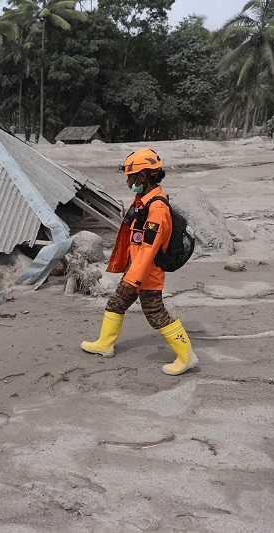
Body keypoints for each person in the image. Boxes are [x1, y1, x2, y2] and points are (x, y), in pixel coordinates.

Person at [80, 148, 198, 376]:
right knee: (116, 303)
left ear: (143, 176)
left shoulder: (157, 208)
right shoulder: (143, 201)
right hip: (136, 270)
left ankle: (186, 357)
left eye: (130, 177)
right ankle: (105, 344)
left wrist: (132, 279)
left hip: (146, 274)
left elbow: (148, 249)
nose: (128, 181)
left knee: (155, 312)